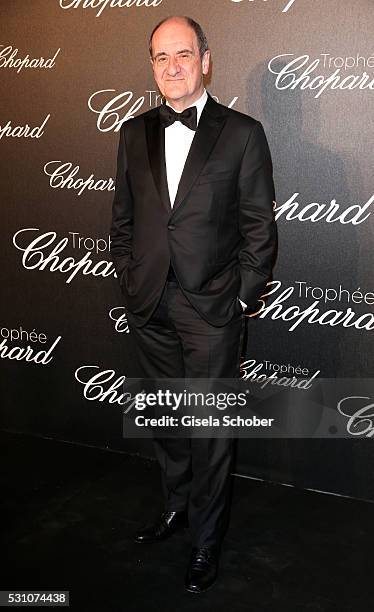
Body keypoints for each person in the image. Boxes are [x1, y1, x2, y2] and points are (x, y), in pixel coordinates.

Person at [110, 15, 277, 593]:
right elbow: (124, 222)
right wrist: (131, 283)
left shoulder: (243, 133)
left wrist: (241, 299)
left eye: (183, 54)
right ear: (152, 65)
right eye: (161, 57)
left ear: (206, 60)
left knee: (209, 429)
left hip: (213, 310)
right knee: (167, 419)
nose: (172, 66)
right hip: (150, 302)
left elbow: (259, 229)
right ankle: (174, 507)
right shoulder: (132, 133)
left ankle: (206, 540)